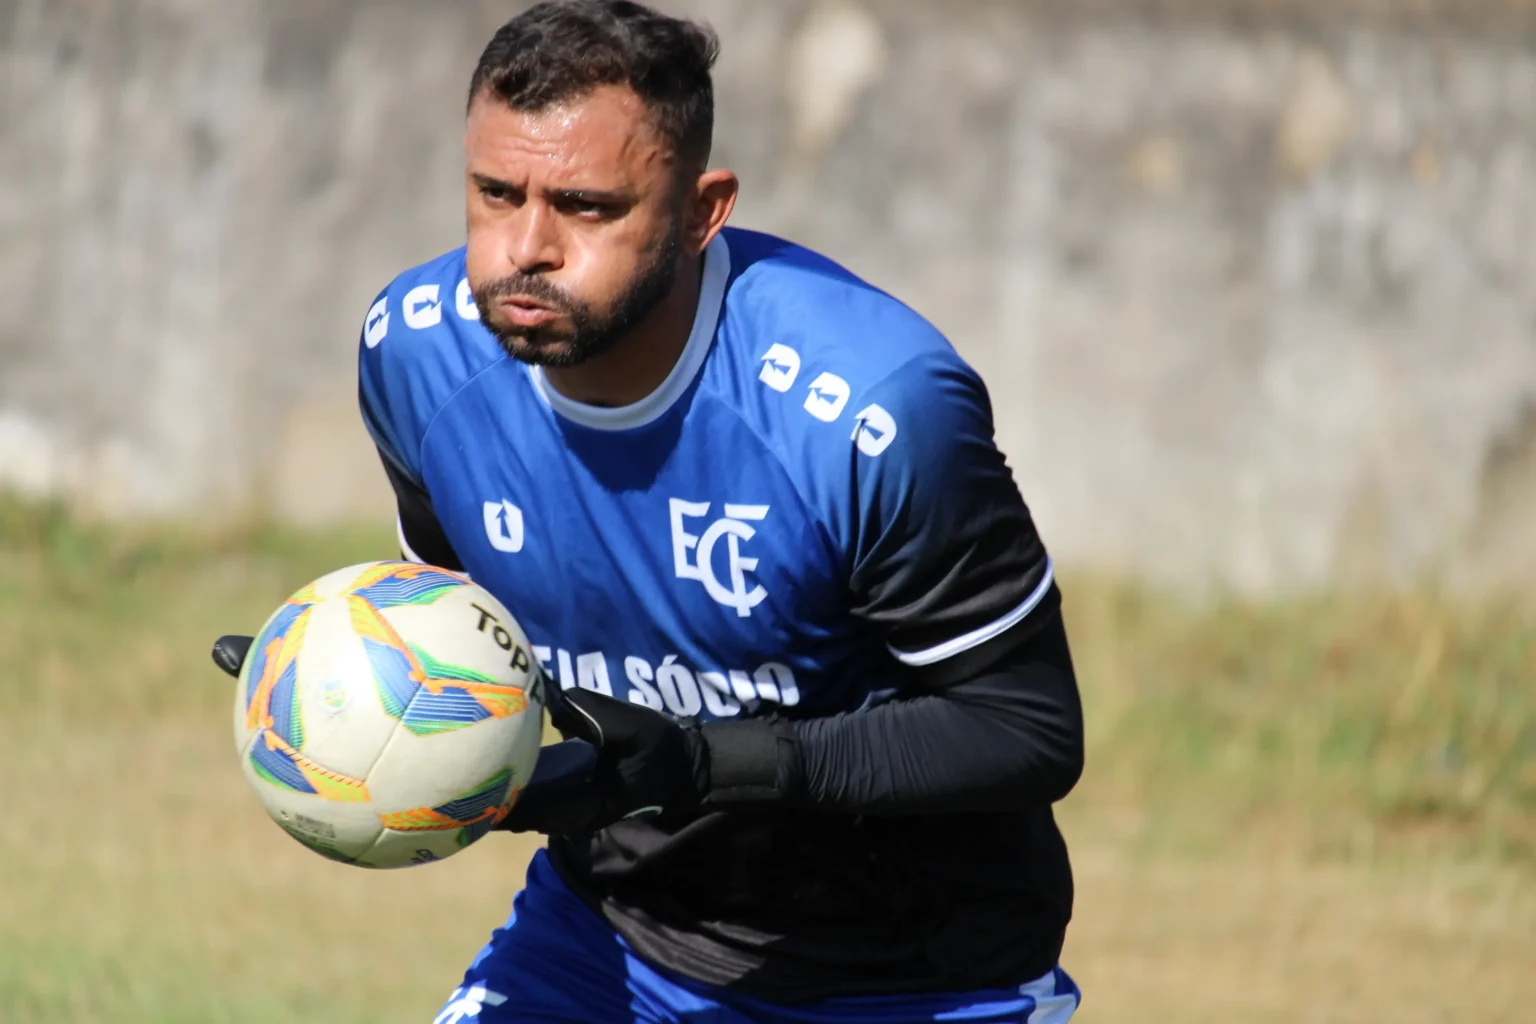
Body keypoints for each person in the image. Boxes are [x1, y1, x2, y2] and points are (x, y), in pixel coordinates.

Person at [214, 2, 1084, 1020]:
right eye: (496, 193)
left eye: (585, 206)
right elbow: (457, 612)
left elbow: (1027, 731)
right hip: (605, 938)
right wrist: (351, 681)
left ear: (701, 210)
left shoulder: (869, 415)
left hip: (913, 977)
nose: (524, 247)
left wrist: (708, 764)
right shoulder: (417, 355)